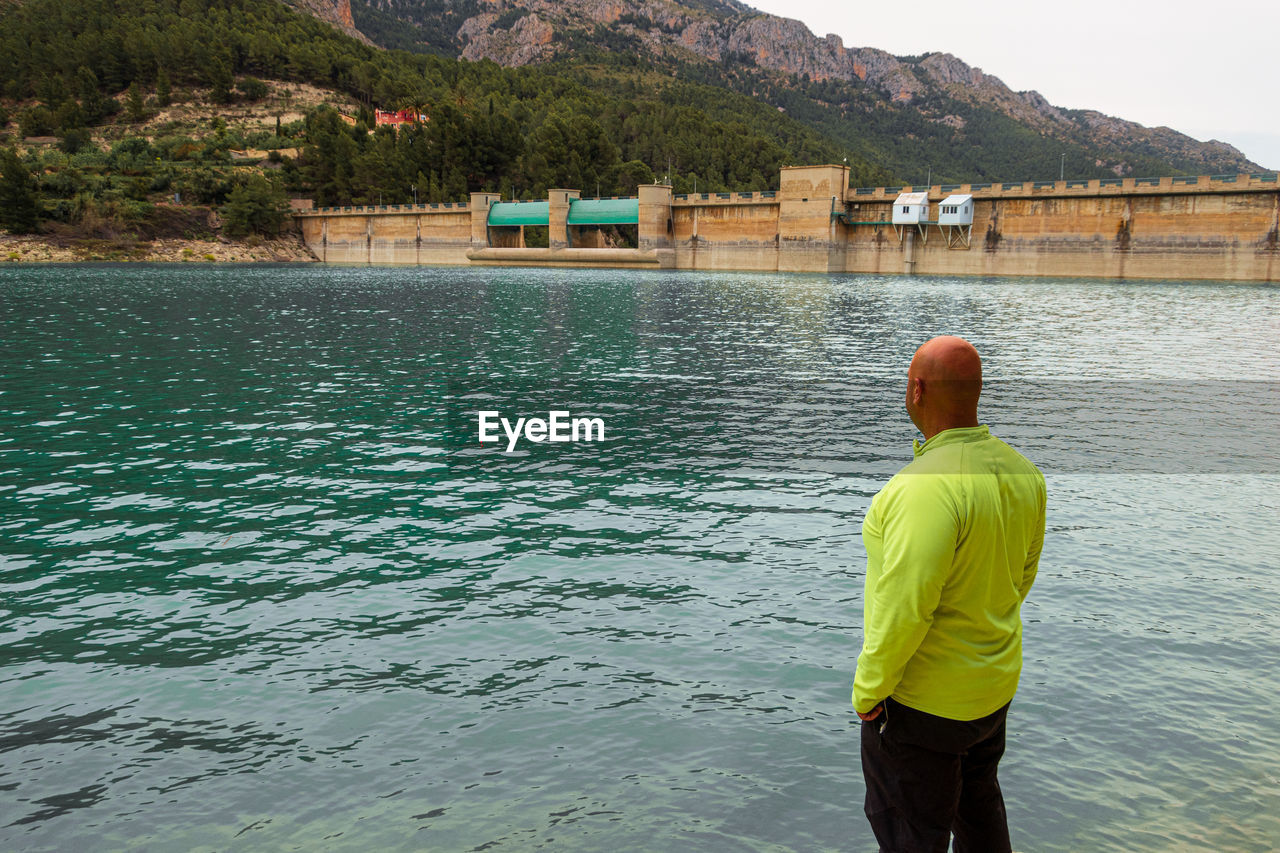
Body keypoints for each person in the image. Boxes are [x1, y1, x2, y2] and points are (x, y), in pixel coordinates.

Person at [853, 335, 1046, 853]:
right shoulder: (1023, 473)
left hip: (922, 707)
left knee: (911, 833)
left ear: (916, 390)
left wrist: (870, 691)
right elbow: (1020, 579)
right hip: (991, 692)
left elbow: (906, 607)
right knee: (980, 814)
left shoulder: (922, 487)